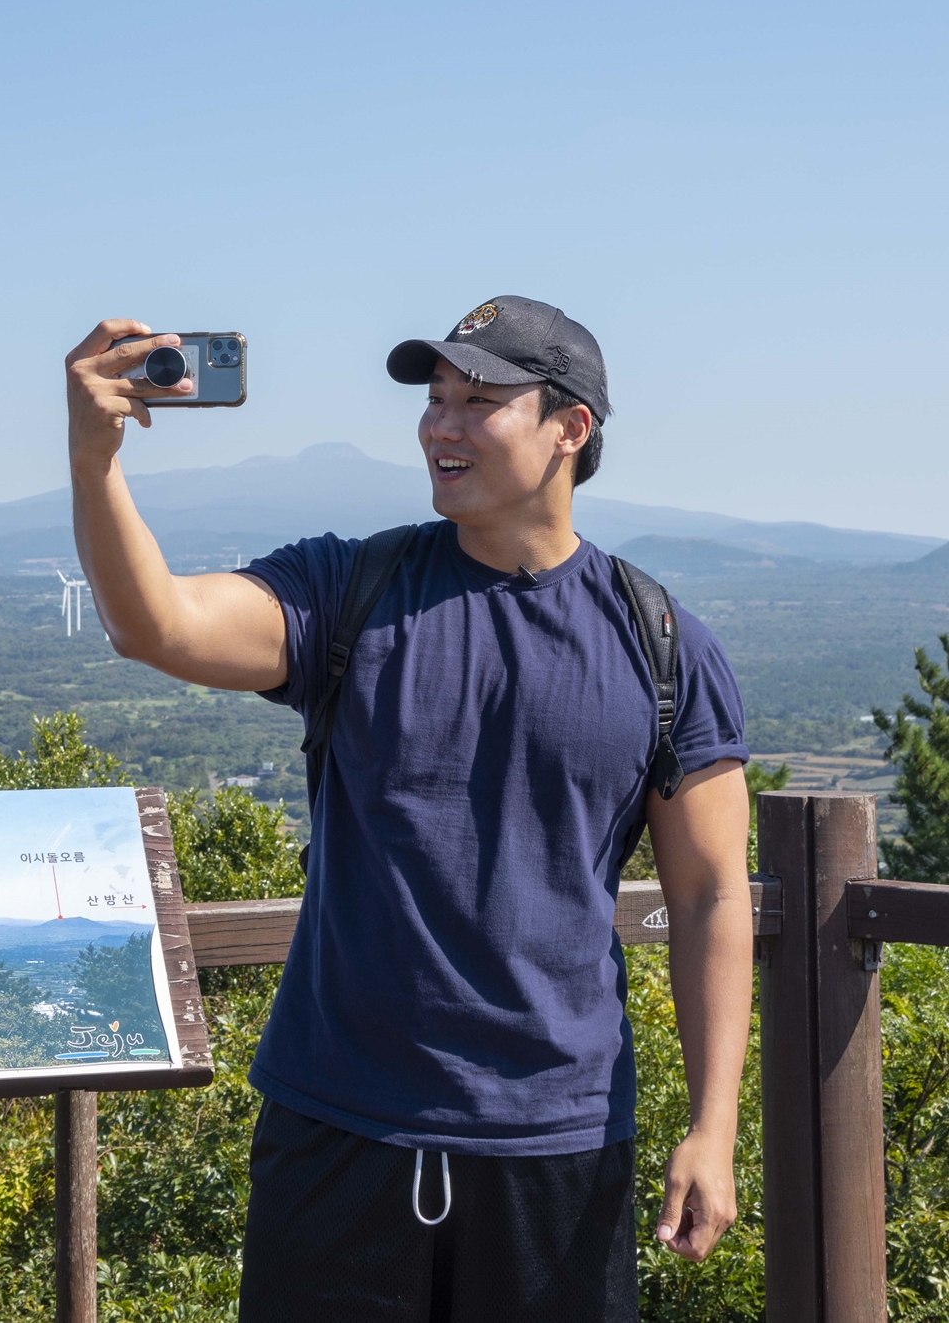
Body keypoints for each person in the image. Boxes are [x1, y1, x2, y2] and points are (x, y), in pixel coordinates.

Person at [66, 296, 753, 1323]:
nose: (439, 426)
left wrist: (711, 1130)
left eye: (477, 401)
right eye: (434, 400)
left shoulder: (659, 644)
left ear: (570, 429)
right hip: (336, 1126)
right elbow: (155, 625)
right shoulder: (348, 588)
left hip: (556, 1142)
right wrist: (95, 458)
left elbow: (706, 897)